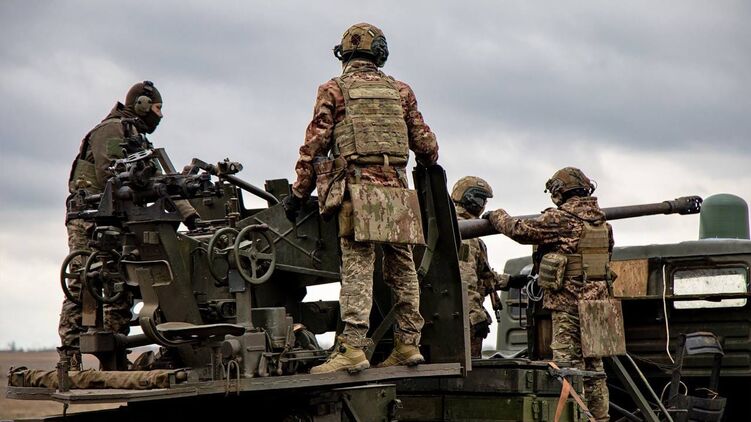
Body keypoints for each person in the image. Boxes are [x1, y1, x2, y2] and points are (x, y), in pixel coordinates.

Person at [283, 23, 439, 374]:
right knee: (403, 267)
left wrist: (298, 193)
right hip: (397, 189)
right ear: (380, 54)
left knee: (358, 268)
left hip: (358, 188)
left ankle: (352, 349)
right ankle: (408, 344)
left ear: (344, 55)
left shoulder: (333, 89)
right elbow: (426, 146)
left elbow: (314, 146)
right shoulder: (401, 91)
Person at [60, 81, 198, 366]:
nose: (160, 115)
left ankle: (115, 355)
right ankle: (70, 357)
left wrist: (190, 216)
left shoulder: (137, 139)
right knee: (84, 282)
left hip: (118, 219)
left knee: (119, 284)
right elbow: (111, 176)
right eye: (158, 108)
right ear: (142, 105)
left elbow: (161, 182)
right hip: (90, 218)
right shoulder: (111, 130)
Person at [484, 167, 612, 421]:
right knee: (595, 368)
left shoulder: (561, 219)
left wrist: (496, 216)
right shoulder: (602, 224)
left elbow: (520, 231)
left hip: (570, 304)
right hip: (598, 306)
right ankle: (600, 417)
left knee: (568, 368)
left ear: (559, 192)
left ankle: (577, 417)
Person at [451, 176, 507, 357]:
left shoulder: (456, 225)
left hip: (455, 313)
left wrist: (511, 281)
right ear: (470, 199)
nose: (483, 205)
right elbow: (465, 280)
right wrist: (476, 317)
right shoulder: (464, 233)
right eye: (481, 199)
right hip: (463, 318)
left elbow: (482, 275)